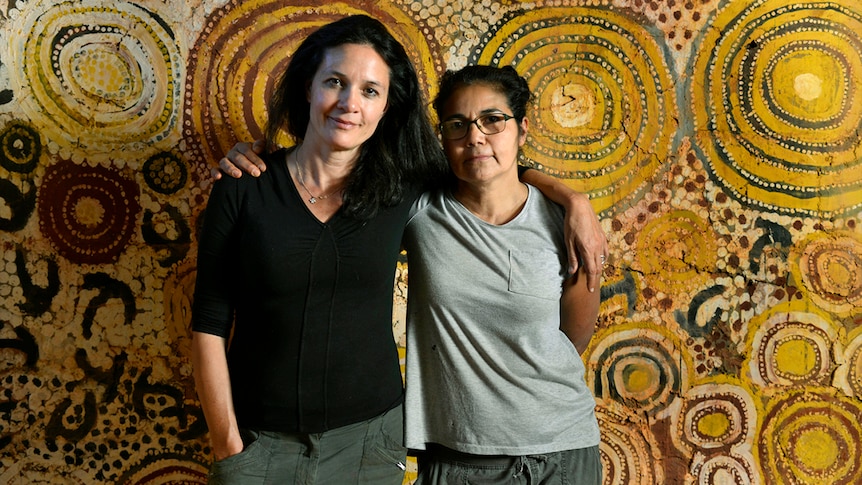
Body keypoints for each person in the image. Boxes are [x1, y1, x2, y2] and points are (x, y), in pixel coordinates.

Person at [198, 14, 607, 485]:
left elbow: (488, 166)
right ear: (308, 87)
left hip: (406, 443)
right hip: (277, 442)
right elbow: (210, 319)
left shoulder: (420, 195)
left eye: (371, 90)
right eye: (335, 82)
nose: (351, 103)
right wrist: (227, 444)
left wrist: (573, 199)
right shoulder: (258, 189)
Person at [402, 65, 602, 484]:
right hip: (461, 457)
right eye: (458, 125)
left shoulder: (564, 223)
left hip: (563, 451)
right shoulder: (419, 213)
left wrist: (573, 200)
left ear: (521, 129)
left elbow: (573, 340)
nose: (475, 137)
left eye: (493, 120)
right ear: (444, 138)